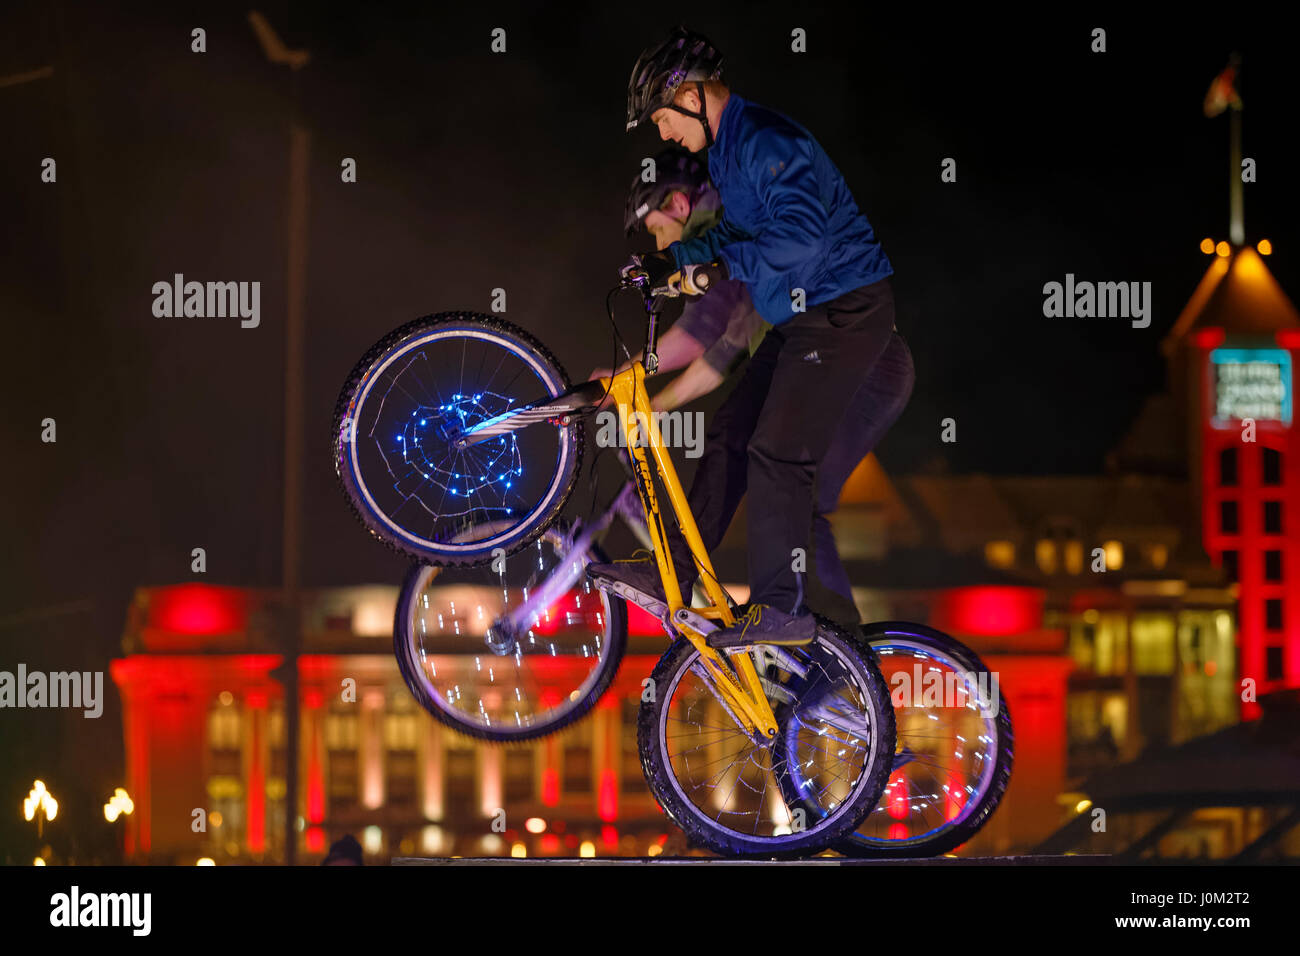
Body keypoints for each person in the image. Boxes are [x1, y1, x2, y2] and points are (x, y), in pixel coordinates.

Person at [618, 26, 905, 648]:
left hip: (845, 309)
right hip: (805, 316)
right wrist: (678, 263)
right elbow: (735, 237)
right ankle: (675, 569)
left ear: (691, 95)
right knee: (729, 434)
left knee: (776, 454)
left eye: (662, 117)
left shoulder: (767, 140)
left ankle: (782, 610)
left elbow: (800, 238)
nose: (662, 133)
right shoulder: (726, 151)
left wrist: (717, 269)